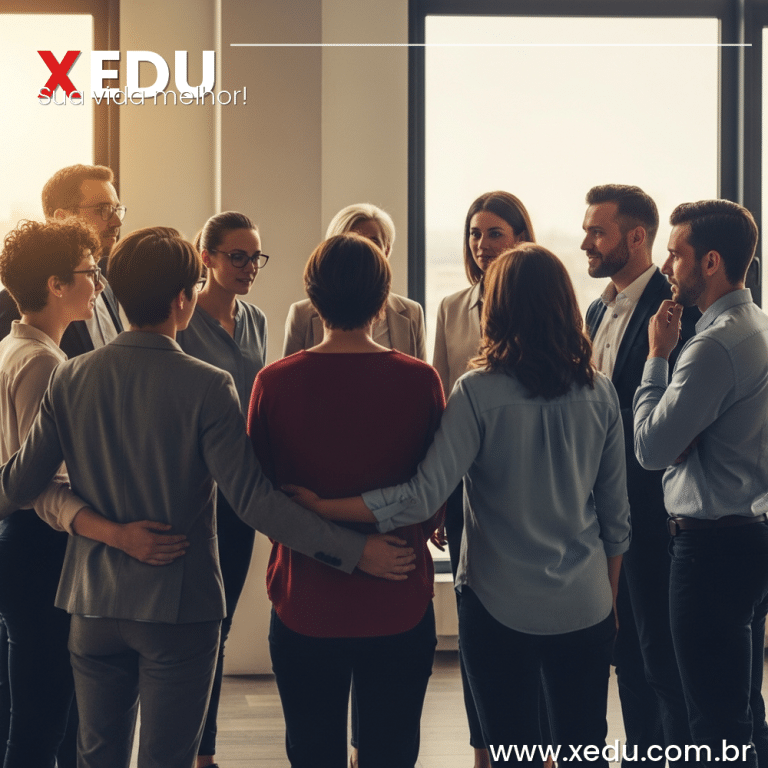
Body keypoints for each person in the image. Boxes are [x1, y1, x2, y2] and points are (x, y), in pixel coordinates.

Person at [0, 226, 416, 768]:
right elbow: (256, 503)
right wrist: (356, 551)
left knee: (95, 758)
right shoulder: (208, 385)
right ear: (183, 299)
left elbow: (19, 486)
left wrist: (93, 524)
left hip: (92, 604)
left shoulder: (70, 377)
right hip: (179, 607)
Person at [287, 244, 631, 767]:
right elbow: (616, 519)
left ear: (497, 307)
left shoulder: (477, 392)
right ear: (564, 303)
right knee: (584, 749)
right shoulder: (600, 391)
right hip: (585, 604)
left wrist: (326, 506)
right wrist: (604, 601)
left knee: (513, 750)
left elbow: (423, 496)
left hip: (499, 605)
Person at [250, 233, 442, 768]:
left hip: (305, 595)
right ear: (384, 301)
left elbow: (265, 500)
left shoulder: (274, 383)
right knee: (391, 751)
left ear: (312, 300)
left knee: (312, 752)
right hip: (399, 595)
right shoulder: (420, 381)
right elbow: (433, 498)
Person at [0, 219, 184, 768]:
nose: (100, 283)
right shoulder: (45, 365)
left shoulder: (14, 348)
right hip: (41, 549)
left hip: (23, 545)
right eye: (89, 271)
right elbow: (42, 490)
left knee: (34, 711)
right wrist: (120, 535)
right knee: (44, 721)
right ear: (56, 284)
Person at [634, 200, 768, 767]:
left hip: (710, 549)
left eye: (676, 252)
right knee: (739, 707)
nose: (667, 264)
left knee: (711, 718)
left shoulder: (711, 346)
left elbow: (651, 448)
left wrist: (657, 359)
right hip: (748, 535)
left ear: (710, 261)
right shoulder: (755, 324)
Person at [582, 184, 694, 760]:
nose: (585, 242)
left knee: (660, 663)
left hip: (652, 518)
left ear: (637, 237)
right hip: (597, 520)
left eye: (596, 232)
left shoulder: (679, 313)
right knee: (620, 655)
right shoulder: (596, 309)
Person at [433, 190, 535, 768]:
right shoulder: (451, 307)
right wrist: (445, 494)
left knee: (529, 623)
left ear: (520, 237)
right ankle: (483, 748)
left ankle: (534, 746)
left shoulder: (541, 301)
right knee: (476, 625)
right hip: (467, 487)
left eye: (495, 232)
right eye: (475, 233)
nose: (482, 244)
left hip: (528, 484)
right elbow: (443, 404)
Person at [176, 211, 268, 768]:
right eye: (237, 256)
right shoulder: (182, 324)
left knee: (223, 624)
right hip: (192, 493)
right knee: (194, 628)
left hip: (240, 494)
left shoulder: (255, 318)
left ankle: (203, 750)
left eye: (255, 257)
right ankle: (186, 747)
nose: (248, 267)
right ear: (206, 258)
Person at [0, 164, 124, 356]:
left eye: (117, 209)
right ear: (62, 218)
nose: (117, 221)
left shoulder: (108, 279)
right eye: (104, 209)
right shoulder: (17, 305)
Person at [283, 203, 426, 360]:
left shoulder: (412, 313)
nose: (363, 249)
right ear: (333, 250)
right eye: (353, 240)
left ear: (387, 250)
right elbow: (291, 374)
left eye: (374, 241)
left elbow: (417, 377)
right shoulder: (302, 314)